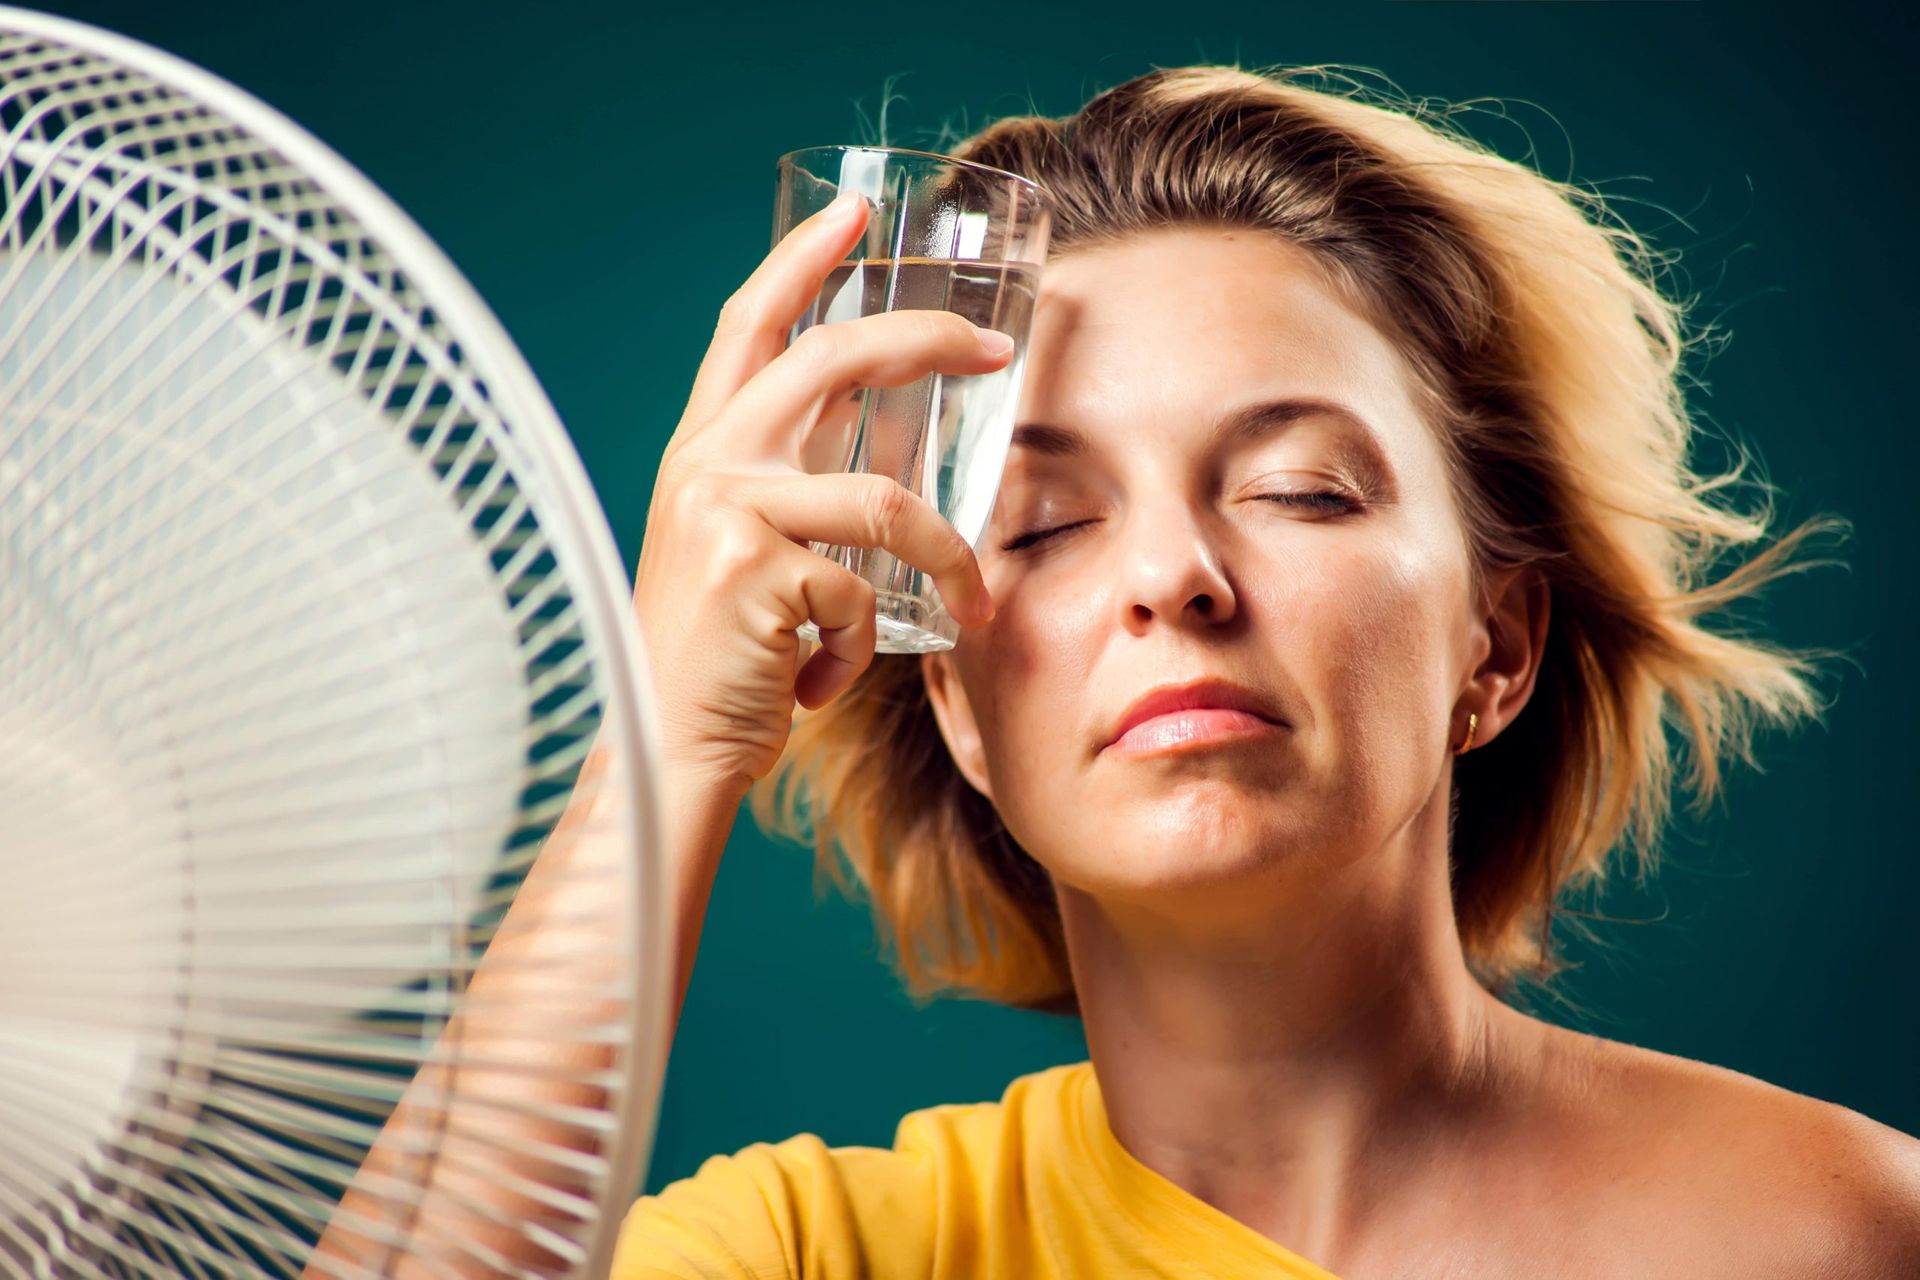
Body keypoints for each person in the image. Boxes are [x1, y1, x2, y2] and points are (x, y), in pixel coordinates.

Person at [313, 64, 1920, 1279]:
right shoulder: (821, 1253)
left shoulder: (1841, 1230)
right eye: (1045, 522)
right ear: (956, 701)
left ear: (1493, 648)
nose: (1174, 577)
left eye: (1299, 487)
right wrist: (664, 736)